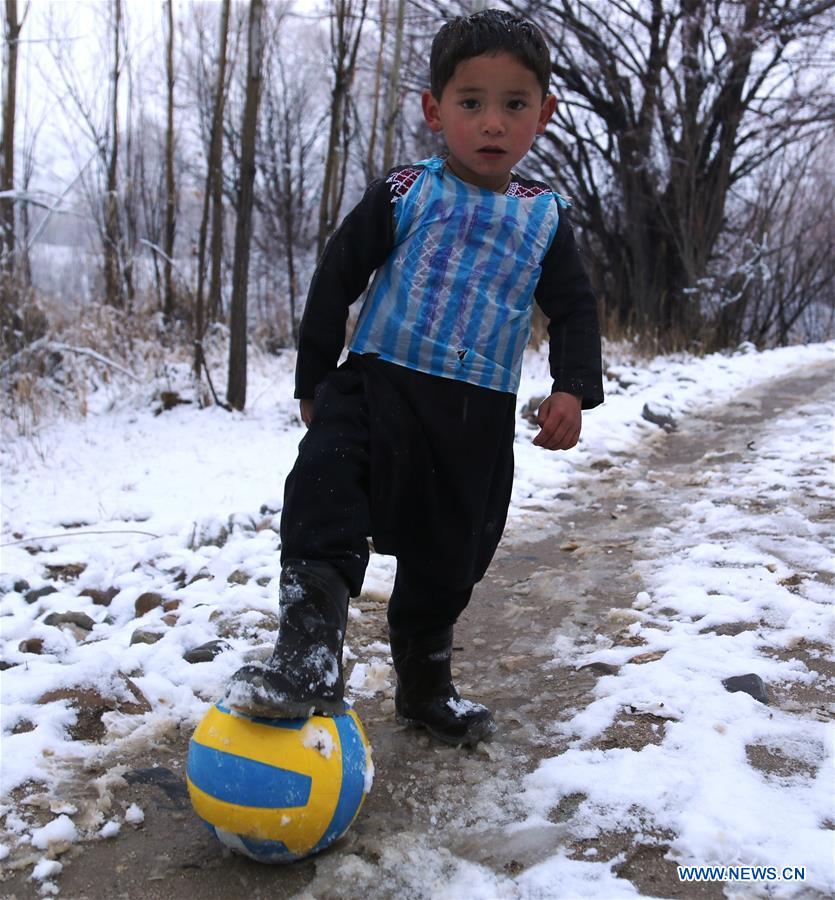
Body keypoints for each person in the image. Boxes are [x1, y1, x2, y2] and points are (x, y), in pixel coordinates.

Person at [225, 8, 604, 747]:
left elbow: (574, 308)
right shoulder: (404, 192)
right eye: (471, 103)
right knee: (321, 495)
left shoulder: (544, 219)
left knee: (449, 556)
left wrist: (571, 387)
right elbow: (336, 279)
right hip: (376, 390)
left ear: (544, 115)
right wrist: (314, 380)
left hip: (475, 417)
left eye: (514, 104)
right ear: (435, 110)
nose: (491, 123)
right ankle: (305, 655)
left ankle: (426, 686)